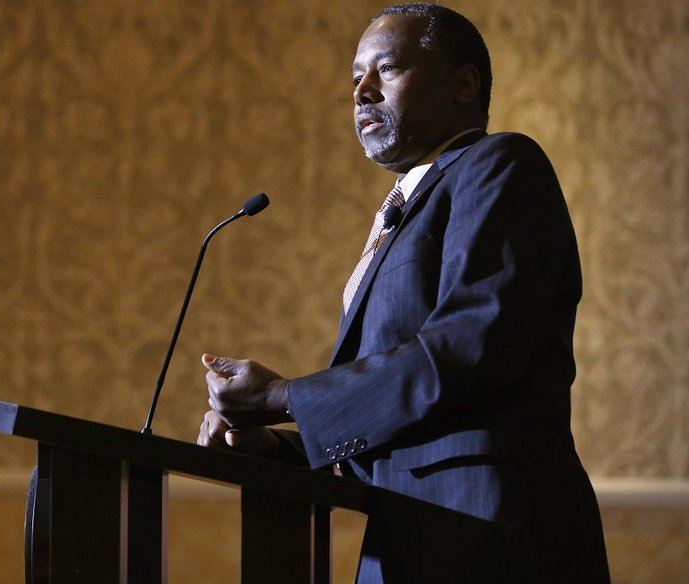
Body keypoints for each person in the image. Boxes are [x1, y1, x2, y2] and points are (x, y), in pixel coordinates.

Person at [196, 3, 611, 583]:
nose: (362, 91)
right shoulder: (399, 216)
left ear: (463, 83)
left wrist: (287, 396)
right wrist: (273, 446)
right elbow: (403, 421)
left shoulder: (498, 165)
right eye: (354, 78)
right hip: (405, 537)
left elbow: (468, 350)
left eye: (385, 70)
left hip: (489, 527)